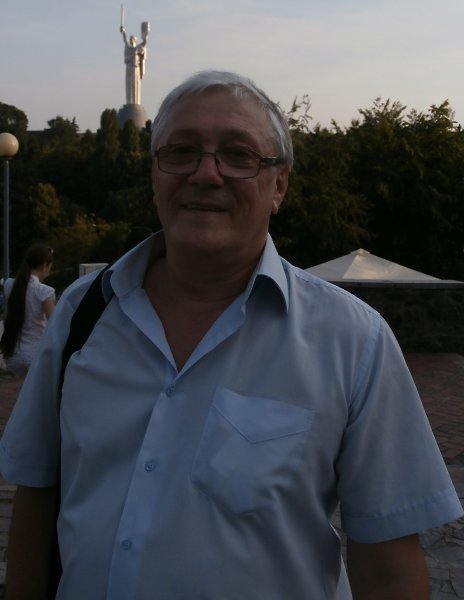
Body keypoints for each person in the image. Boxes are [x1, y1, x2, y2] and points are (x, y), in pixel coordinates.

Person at [1, 71, 462, 600]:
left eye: (239, 155)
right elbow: (36, 498)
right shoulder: (83, 312)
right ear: (155, 175)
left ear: (279, 185)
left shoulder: (352, 341)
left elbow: (389, 569)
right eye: (180, 151)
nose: (205, 173)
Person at [0, 244, 55, 377]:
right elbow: (55, 324)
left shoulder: (9, 285)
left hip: (12, 356)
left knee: (28, 387)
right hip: (35, 355)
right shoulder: (44, 291)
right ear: (45, 265)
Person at [120, 23, 149, 105]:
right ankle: (129, 102)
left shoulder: (137, 48)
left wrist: (146, 34)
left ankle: (136, 103)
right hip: (129, 68)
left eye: (132, 39)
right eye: (130, 39)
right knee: (129, 85)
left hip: (136, 68)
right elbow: (125, 40)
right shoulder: (128, 48)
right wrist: (123, 31)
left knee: (136, 85)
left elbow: (144, 43)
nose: (131, 40)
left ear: (135, 41)